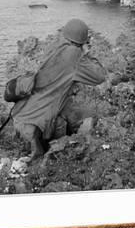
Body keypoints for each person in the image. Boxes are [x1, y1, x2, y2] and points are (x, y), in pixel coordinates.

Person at [12, 18, 106, 160]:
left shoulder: (53, 48)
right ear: (82, 41)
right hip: (37, 127)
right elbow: (100, 77)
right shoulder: (75, 56)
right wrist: (86, 53)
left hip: (20, 116)